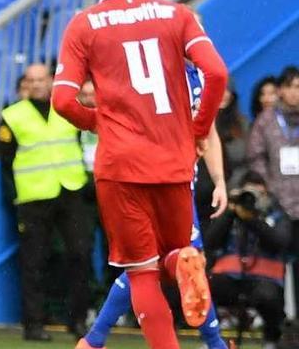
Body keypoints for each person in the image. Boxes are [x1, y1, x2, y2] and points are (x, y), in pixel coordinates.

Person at [51, 0, 228, 349]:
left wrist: (100, 122)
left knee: (141, 271)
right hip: (174, 160)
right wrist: (197, 131)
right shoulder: (178, 15)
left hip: (121, 164)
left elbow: (62, 101)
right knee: (172, 252)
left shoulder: (85, 24)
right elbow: (217, 73)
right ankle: (182, 259)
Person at [78, 62, 231, 349]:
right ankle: (215, 344)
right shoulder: (154, 68)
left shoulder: (197, 75)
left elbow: (207, 131)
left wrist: (220, 180)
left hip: (178, 181)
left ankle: (93, 340)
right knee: (181, 261)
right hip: (160, 182)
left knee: (147, 265)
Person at [0, 63, 92, 341]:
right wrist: (14, 199)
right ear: (25, 84)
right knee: (34, 262)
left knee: (80, 255)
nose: (37, 84)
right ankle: (34, 325)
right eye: (31, 80)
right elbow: (5, 163)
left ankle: (78, 320)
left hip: (71, 190)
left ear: (51, 80)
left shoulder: (67, 107)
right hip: (34, 197)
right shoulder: (12, 115)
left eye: (41, 79)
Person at [206, 172, 290, 349]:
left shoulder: (277, 213)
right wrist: (230, 213)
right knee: (205, 288)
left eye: (257, 194)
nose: (252, 199)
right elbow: (211, 242)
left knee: (270, 297)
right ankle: (212, 339)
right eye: (248, 193)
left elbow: (280, 242)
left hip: (265, 279)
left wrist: (253, 220)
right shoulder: (232, 211)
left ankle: (271, 340)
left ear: (266, 193)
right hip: (231, 276)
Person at [248, 65, 299, 310]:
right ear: (280, 90)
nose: (295, 93)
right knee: (275, 261)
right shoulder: (267, 120)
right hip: (277, 205)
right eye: (290, 87)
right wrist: (268, 185)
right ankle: (277, 321)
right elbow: (256, 156)